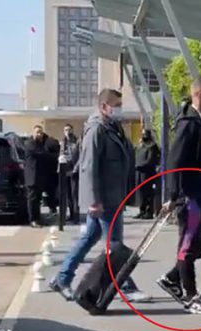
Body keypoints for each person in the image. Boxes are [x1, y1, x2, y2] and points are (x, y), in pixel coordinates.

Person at [48, 89, 151, 303]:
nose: (120, 109)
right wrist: (93, 200)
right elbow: (89, 166)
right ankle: (125, 284)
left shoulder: (112, 128)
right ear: (104, 106)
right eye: (116, 104)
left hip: (113, 195)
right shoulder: (96, 130)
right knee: (114, 244)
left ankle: (62, 278)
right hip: (104, 198)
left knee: (89, 238)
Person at [156, 76, 201, 315]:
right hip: (190, 194)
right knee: (188, 242)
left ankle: (173, 276)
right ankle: (191, 295)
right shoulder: (188, 123)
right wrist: (173, 195)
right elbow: (175, 161)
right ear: (200, 94)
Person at [24, 125, 61, 227]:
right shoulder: (29, 143)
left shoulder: (41, 143)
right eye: (37, 132)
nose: (39, 134)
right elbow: (42, 154)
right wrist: (56, 156)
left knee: (37, 200)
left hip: (40, 177)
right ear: (33, 133)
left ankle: (37, 219)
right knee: (32, 200)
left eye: (41, 132)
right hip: (32, 177)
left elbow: (48, 146)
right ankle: (33, 220)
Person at [134, 129, 161, 219]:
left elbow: (151, 160)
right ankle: (142, 210)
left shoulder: (152, 146)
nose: (143, 136)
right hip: (139, 171)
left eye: (145, 134)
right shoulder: (141, 146)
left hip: (147, 172)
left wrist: (140, 165)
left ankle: (149, 211)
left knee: (148, 192)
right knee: (140, 192)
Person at [61, 124, 81, 223]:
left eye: (69, 129)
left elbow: (81, 156)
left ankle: (76, 215)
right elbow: (60, 156)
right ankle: (71, 214)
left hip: (74, 170)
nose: (67, 132)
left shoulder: (77, 142)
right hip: (64, 170)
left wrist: (76, 168)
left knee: (74, 194)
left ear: (72, 130)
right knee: (68, 195)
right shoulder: (62, 142)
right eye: (65, 130)